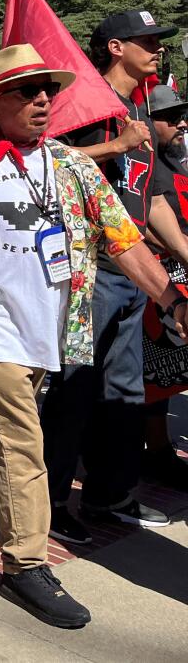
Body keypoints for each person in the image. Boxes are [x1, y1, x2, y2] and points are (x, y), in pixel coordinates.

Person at [0, 45, 188, 628]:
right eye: (26, 90)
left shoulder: (74, 168)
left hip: (50, 327)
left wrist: (171, 299)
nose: (43, 99)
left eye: (48, 89)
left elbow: (123, 240)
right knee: (22, 442)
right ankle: (26, 564)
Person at [42, 10, 188, 543]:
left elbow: (146, 198)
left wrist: (183, 251)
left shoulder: (141, 112)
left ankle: (111, 496)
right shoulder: (85, 102)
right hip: (85, 271)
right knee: (71, 390)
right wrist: (114, 146)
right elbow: (42, 162)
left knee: (125, 391)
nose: (158, 50)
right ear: (115, 48)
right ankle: (52, 503)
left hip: (132, 272)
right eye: (148, 41)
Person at [142, 86, 188, 489]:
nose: (181, 123)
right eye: (171, 118)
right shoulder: (139, 165)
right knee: (157, 372)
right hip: (153, 280)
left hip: (181, 273)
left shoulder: (178, 162)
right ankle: (155, 451)